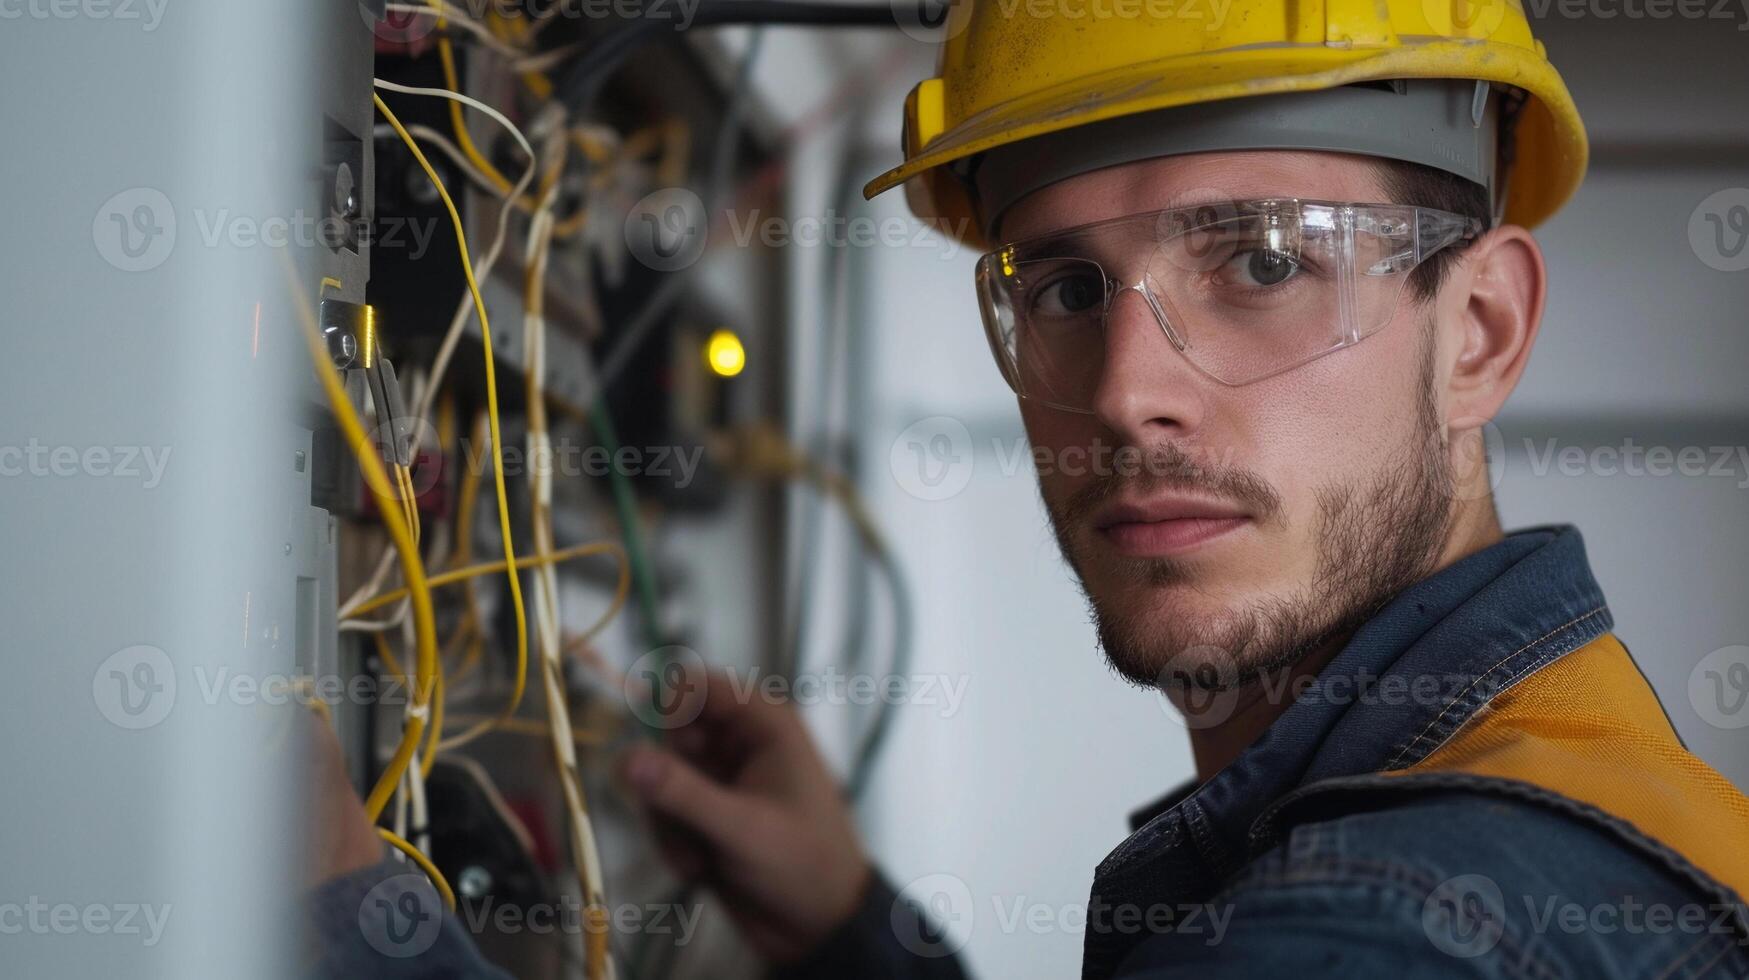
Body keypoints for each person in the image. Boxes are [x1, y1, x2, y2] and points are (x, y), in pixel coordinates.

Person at [612, 2, 1749, 978]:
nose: (1124, 390)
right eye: (1065, 288)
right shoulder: (1574, 811)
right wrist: (845, 935)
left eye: (1263, 261)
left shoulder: (1405, 919)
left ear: (1478, 333)